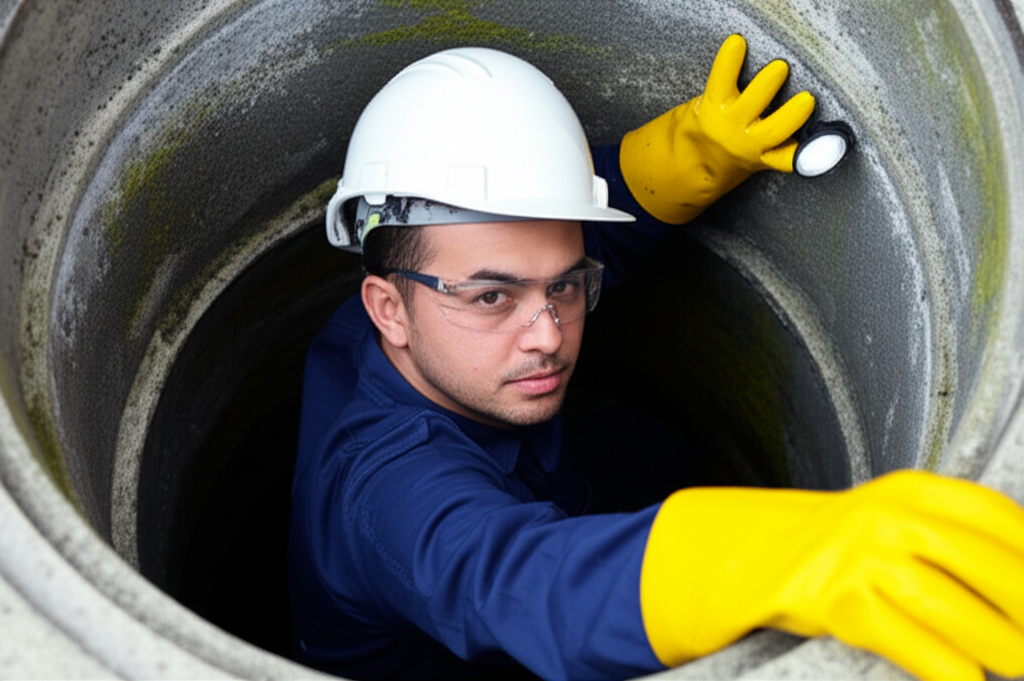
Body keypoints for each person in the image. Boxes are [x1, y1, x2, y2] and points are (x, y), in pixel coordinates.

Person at [289, 37, 1024, 681]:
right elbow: (521, 581)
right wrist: (778, 556)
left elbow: (572, 245)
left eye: (567, 285)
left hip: (556, 474)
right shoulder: (384, 491)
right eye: (493, 299)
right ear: (388, 308)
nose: (549, 332)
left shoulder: (436, 299)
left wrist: (697, 149)